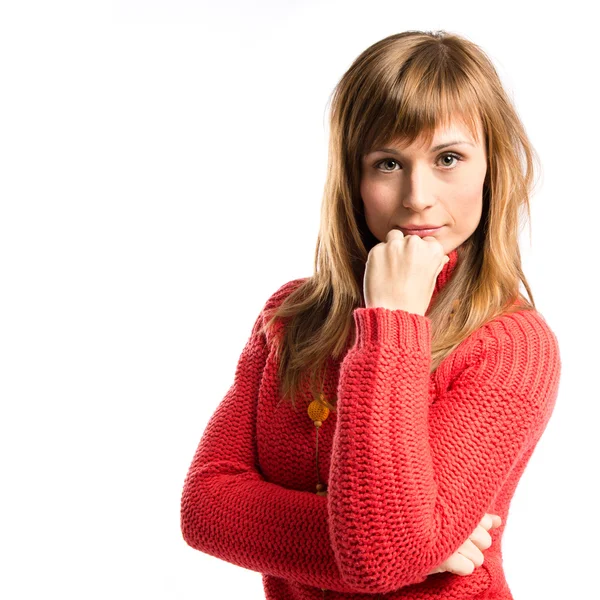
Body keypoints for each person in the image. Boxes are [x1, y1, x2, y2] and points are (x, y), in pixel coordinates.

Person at [180, 30, 561, 600]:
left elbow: (387, 553)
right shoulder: (290, 316)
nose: (417, 196)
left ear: (492, 168)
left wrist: (392, 323)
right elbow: (206, 507)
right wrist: (412, 547)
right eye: (387, 163)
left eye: (449, 158)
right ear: (353, 179)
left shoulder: (512, 344)